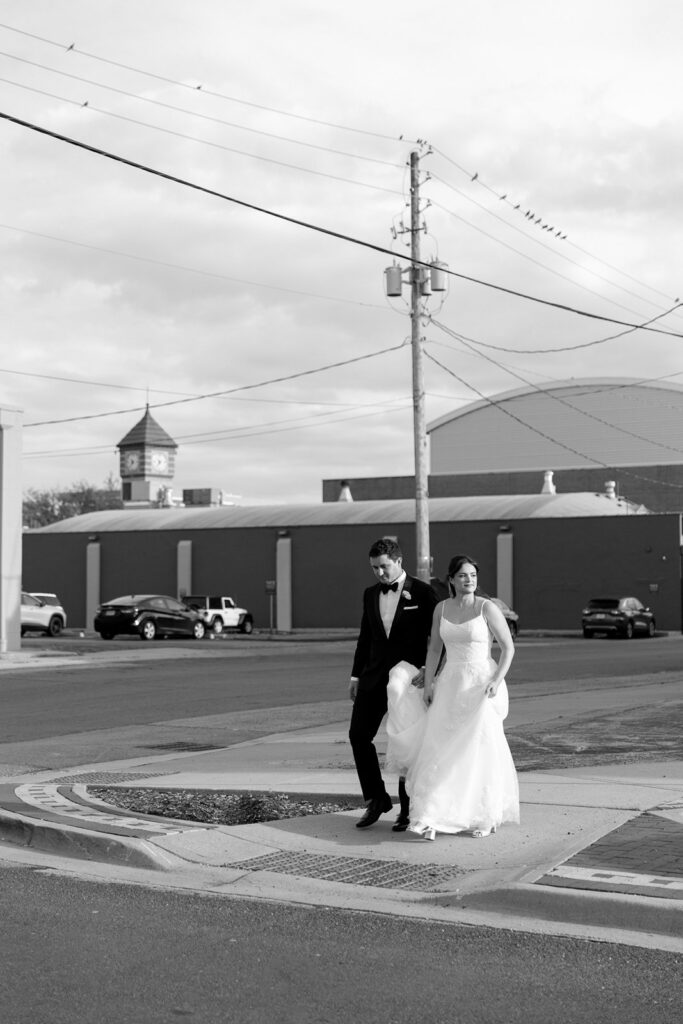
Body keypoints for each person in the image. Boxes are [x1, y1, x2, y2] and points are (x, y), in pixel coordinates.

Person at [406, 554, 519, 842]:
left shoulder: (487, 608)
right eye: (463, 575)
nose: (469, 580)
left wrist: (496, 681)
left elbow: (508, 648)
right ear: (451, 580)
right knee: (442, 749)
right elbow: (434, 650)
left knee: (478, 750)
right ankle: (433, 815)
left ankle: (485, 816)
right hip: (450, 685)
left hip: (481, 685)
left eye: (473, 575)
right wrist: (429, 685)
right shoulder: (441, 608)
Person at [349, 537, 437, 829]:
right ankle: (376, 799)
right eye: (374, 568)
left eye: (384, 567)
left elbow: (438, 636)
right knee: (358, 735)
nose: (379, 573)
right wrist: (355, 676)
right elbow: (365, 638)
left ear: (399, 561)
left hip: (409, 680)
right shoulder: (369, 594)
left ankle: (407, 809)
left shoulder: (422, 592)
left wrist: (429, 669)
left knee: (405, 741)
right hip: (373, 678)